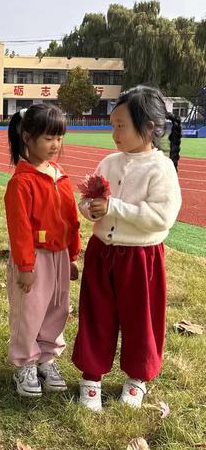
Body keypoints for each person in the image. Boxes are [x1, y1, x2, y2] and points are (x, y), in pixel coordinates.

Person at [72, 85, 182, 411]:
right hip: (101, 252)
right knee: (96, 315)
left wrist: (113, 208)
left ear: (148, 127)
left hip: (140, 258)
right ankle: (91, 377)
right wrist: (89, 207)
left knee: (141, 320)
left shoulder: (160, 169)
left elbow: (161, 218)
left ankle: (138, 378)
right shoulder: (109, 162)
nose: (114, 133)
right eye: (113, 125)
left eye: (121, 126)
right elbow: (90, 199)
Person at [4, 104, 80, 397]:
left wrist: (72, 256)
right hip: (34, 258)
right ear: (27, 137)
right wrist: (25, 266)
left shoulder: (60, 176)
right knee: (30, 310)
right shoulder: (22, 182)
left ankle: (47, 358)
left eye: (59, 137)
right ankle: (25, 362)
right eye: (48, 137)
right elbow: (19, 229)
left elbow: (71, 219)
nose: (54, 145)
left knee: (57, 308)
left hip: (59, 256)